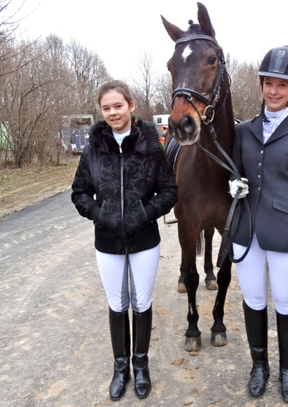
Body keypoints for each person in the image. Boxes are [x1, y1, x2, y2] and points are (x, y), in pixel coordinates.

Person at [71, 80, 177, 401]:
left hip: (145, 238)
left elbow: (170, 192)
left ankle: (141, 366)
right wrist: (100, 215)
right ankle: (121, 368)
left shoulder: (152, 147)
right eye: (106, 108)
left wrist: (143, 213)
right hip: (107, 241)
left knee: (141, 303)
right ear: (101, 112)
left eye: (118, 105)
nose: (113, 112)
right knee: (118, 304)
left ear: (131, 106)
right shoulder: (93, 150)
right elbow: (79, 193)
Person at [229, 46, 288, 403]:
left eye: (282, 85)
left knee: (285, 301)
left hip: (285, 232)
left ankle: (287, 369)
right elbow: (236, 173)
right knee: (253, 300)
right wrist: (232, 185)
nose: (273, 91)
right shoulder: (243, 130)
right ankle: (259, 367)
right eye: (269, 83)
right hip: (245, 229)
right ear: (262, 85)